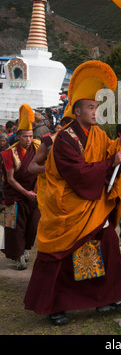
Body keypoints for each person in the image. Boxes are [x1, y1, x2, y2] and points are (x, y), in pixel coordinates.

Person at [24, 60, 121, 326]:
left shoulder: (98, 134)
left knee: (107, 243)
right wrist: (110, 162)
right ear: (76, 111)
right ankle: (53, 305)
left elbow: (113, 153)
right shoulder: (64, 139)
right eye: (90, 107)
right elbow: (79, 173)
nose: (95, 111)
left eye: (96, 107)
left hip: (91, 204)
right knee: (58, 254)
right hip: (69, 207)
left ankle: (106, 297)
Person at [0, 104, 41, 270]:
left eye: (31, 136)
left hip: (34, 195)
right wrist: (26, 192)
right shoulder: (9, 153)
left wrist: (36, 192)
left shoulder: (37, 149)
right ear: (18, 136)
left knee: (31, 226)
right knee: (15, 227)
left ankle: (25, 249)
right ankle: (17, 257)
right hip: (16, 195)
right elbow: (10, 179)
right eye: (25, 136)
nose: (29, 140)